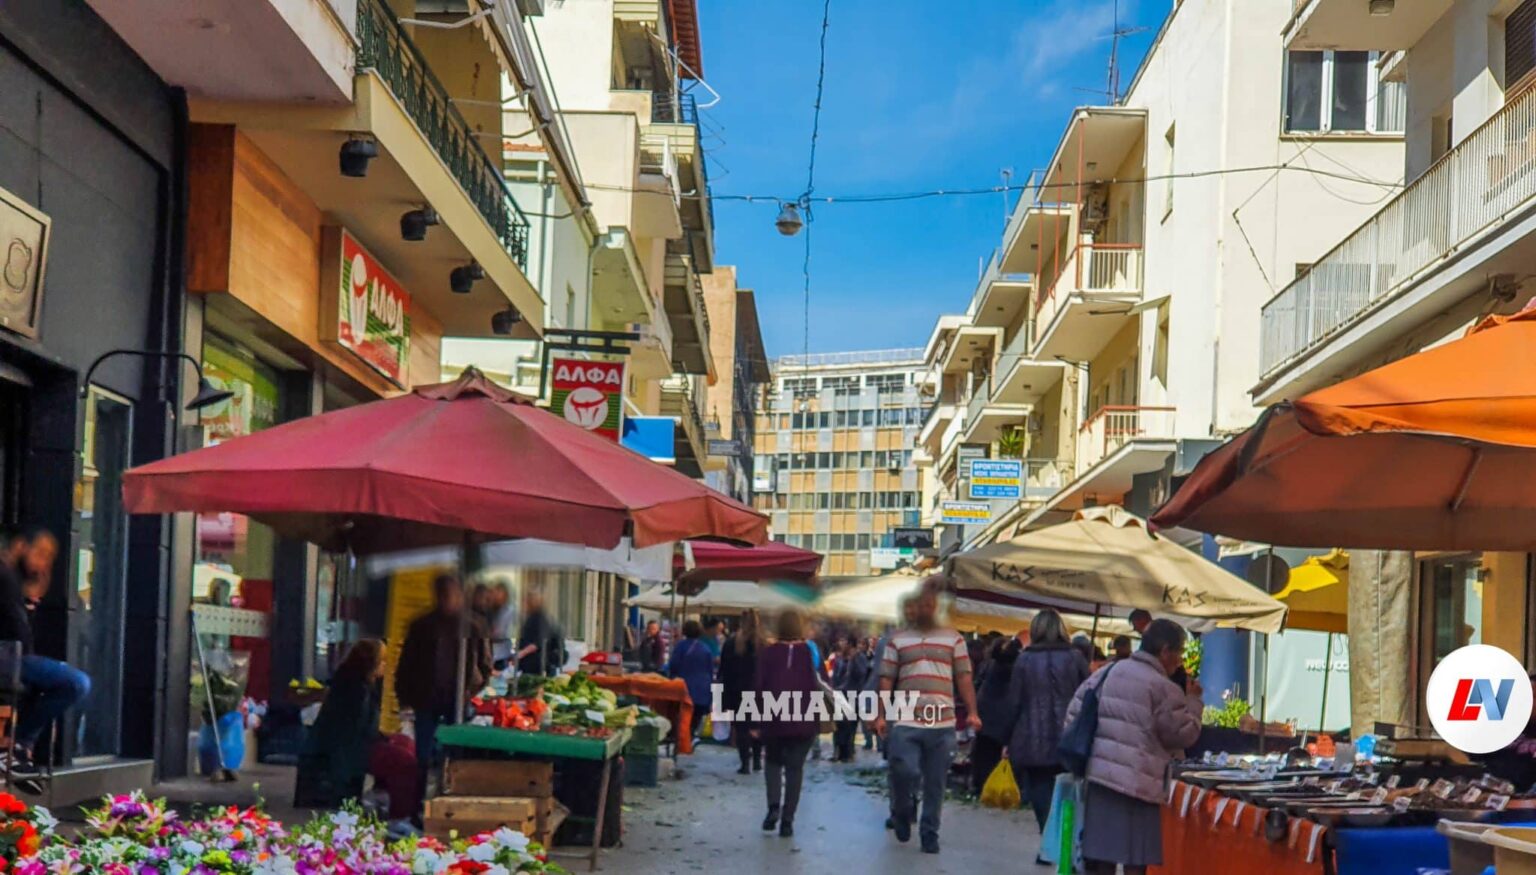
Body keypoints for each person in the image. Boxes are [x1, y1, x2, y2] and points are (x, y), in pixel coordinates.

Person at [1066, 618, 1203, 875]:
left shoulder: (1107, 672)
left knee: (1101, 857)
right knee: (1135, 860)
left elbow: (1074, 712)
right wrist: (1194, 702)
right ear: (1165, 651)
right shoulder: (1163, 687)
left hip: (1100, 779)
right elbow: (1182, 735)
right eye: (1180, 653)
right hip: (1140, 784)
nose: (1180, 661)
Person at [874, 581, 980, 855]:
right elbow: (886, 679)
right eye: (921, 605)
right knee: (903, 769)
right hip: (906, 720)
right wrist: (881, 714)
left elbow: (963, 677)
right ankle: (902, 810)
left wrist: (972, 712)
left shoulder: (954, 639)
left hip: (942, 723)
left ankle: (929, 832)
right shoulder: (897, 640)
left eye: (930, 605)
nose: (925, 609)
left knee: (935, 782)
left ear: (935, 608)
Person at [298, 639, 419, 827]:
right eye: (382, 661)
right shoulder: (356, 689)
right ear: (371, 663)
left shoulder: (359, 683)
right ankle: (399, 815)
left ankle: (385, 796)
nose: (385, 666)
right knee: (404, 761)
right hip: (352, 750)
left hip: (359, 742)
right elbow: (358, 729)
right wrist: (384, 739)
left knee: (405, 743)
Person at [1, 529, 88, 786]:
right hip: (7, 658)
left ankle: (16, 749)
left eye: (48, 557)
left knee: (49, 682)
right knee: (75, 682)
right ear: (20, 546)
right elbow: (18, 634)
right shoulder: (5, 575)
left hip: (13, 659)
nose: (43, 563)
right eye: (40, 553)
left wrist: (30, 599)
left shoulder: (13, 581)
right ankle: (16, 747)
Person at [395, 574, 489, 809]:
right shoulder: (422, 625)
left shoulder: (473, 625)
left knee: (455, 754)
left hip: (457, 700)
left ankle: (450, 803)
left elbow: (485, 663)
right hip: (426, 699)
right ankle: (418, 805)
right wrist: (404, 697)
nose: (447, 599)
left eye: (451, 594)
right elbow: (407, 664)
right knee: (424, 755)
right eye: (443, 594)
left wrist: (470, 690)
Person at [1003, 609, 1090, 848]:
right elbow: (1088, 696)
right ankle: (1065, 843)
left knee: (1041, 794)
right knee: (1070, 793)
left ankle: (1048, 841)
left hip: (1032, 740)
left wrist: (1007, 738)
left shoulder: (1024, 660)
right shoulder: (1075, 658)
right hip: (1071, 739)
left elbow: (1014, 702)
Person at [753, 609, 821, 838]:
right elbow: (820, 683)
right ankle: (788, 820)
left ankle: (773, 806)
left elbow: (759, 686)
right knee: (795, 769)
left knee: (773, 763)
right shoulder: (808, 652)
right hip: (804, 719)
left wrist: (754, 719)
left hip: (774, 717)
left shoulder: (769, 653)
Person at [971, 634, 1021, 797]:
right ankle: (992, 788)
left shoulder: (989, 665)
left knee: (982, 751)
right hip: (1003, 715)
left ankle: (979, 785)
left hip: (985, 712)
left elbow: (978, 684)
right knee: (995, 754)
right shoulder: (1015, 669)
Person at [720, 611, 764, 774]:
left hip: (737, 691)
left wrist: (723, 697)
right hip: (760, 692)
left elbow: (724, 670)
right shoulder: (764, 644)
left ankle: (745, 763)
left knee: (741, 728)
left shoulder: (732, 642)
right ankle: (758, 760)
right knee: (758, 726)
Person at [666, 620, 715, 738]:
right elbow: (710, 670)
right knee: (695, 721)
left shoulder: (680, 646)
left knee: (682, 721)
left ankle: (682, 741)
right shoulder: (706, 649)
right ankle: (690, 739)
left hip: (684, 689)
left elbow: (673, 666)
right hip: (702, 692)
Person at [830, 633, 869, 762]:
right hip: (840, 695)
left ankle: (848, 753)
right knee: (838, 725)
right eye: (840, 641)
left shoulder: (859, 657)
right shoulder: (839, 659)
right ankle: (838, 751)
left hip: (853, 695)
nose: (841, 644)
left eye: (844, 641)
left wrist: (854, 659)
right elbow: (835, 676)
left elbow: (862, 674)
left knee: (850, 726)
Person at [515, 586, 564, 677]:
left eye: (525, 601)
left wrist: (521, 653)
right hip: (530, 665)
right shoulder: (531, 617)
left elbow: (539, 642)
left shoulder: (540, 618)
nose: (522, 605)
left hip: (538, 666)